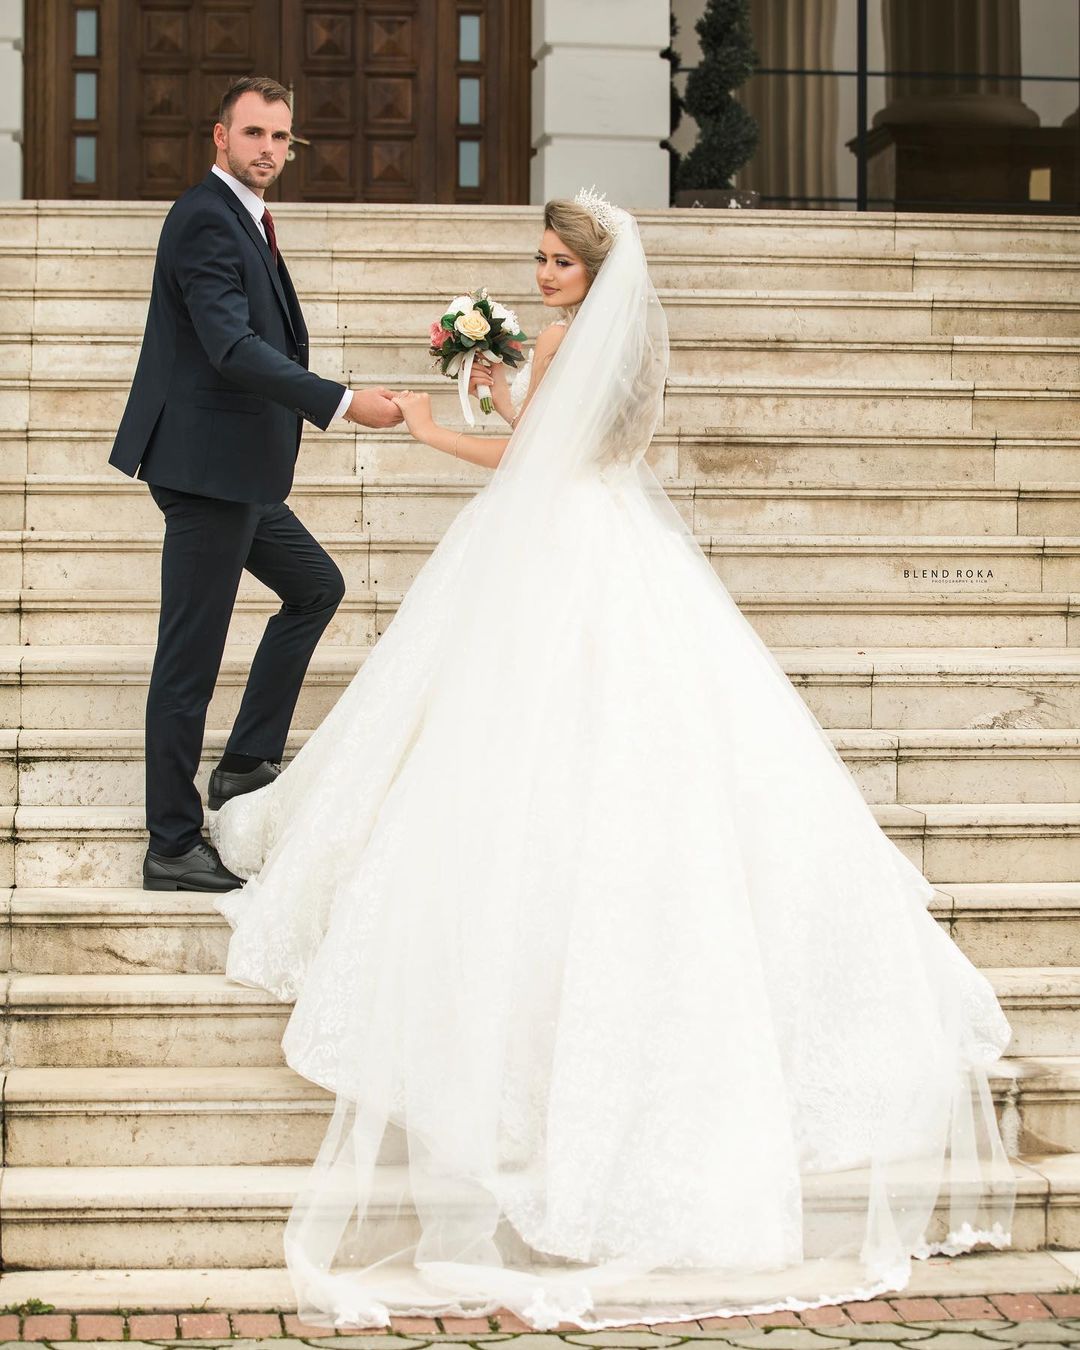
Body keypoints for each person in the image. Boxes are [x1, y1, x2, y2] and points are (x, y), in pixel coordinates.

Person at [211, 190, 1017, 1330]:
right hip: (613, 544)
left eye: (554, 261)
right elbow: (570, 444)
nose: (540, 275)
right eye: (535, 261)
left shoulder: (562, 341)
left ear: (591, 270)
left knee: (527, 740)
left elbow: (518, 463)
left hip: (546, 554)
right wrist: (496, 385)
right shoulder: (626, 346)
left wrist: (433, 420)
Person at [108, 75, 402, 893]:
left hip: (238, 469)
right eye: (255, 135)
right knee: (188, 660)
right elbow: (231, 347)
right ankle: (171, 842)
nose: (270, 150)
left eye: (281, 137)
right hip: (206, 472)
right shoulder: (206, 216)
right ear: (220, 136)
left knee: (315, 586)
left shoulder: (249, 217)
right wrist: (341, 402)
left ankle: (243, 763)